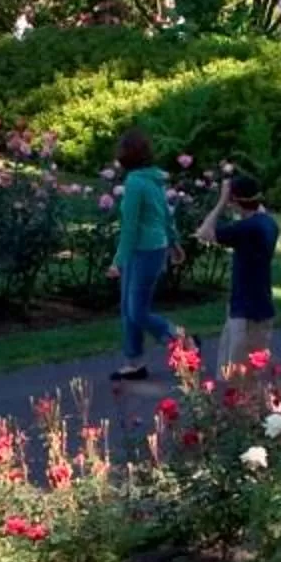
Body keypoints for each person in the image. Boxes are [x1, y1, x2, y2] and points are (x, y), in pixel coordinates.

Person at [109, 130, 185, 380]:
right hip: (151, 249)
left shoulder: (135, 183)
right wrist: (174, 242)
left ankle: (176, 339)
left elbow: (130, 228)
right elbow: (165, 213)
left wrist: (117, 262)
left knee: (136, 311)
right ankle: (134, 362)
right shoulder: (152, 179)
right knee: (128, 308)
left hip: (145, 251)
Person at [197, 173, 280, 376]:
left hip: (246, 312)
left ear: (235, 201)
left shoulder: (246, 229)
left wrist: (221, 202)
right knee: (247, 374)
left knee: (239, 377)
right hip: (257, 305)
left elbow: (204, 233)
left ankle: (246, 408)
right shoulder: (267, 223)